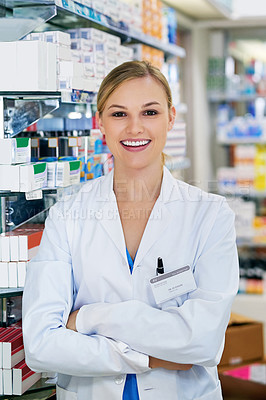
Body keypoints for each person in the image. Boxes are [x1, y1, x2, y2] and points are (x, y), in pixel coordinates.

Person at [22, 60, 239, 400]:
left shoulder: (210, 216)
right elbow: (40, 345)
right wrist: (147, 356)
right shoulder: (68, 215)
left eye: (149, 113)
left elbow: (203, 342)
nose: (135, 128)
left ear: (170, 118)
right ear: (100, 124)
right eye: (119, 114)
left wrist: (90, 317)